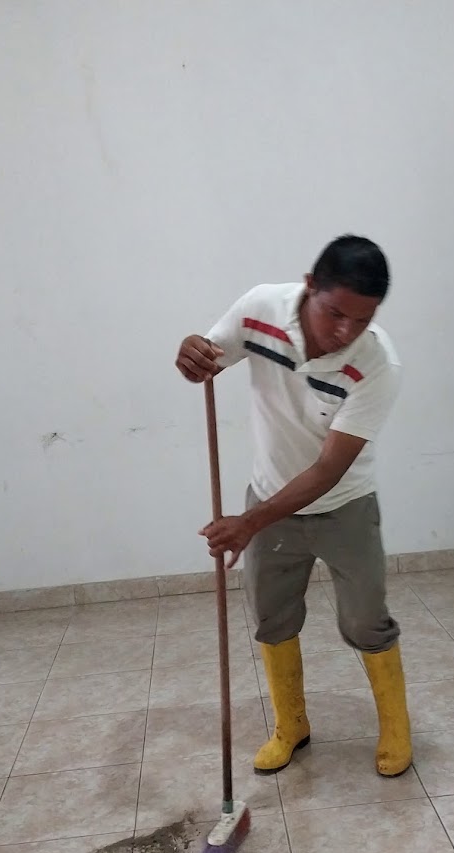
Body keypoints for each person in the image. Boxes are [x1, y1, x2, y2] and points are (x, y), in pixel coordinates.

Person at [174, 235, 412, 778]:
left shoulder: (378, 365)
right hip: (268, 493)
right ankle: (291, 727)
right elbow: (207, 357)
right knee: (272, 617)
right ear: (309, 287)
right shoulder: (261, 308)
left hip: (345, 506)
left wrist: (248, 523)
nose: (346, 332)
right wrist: (192, 355)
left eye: (363, 319)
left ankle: (397, 729)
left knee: (366, 621)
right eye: (335, 313)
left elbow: (329, 470)